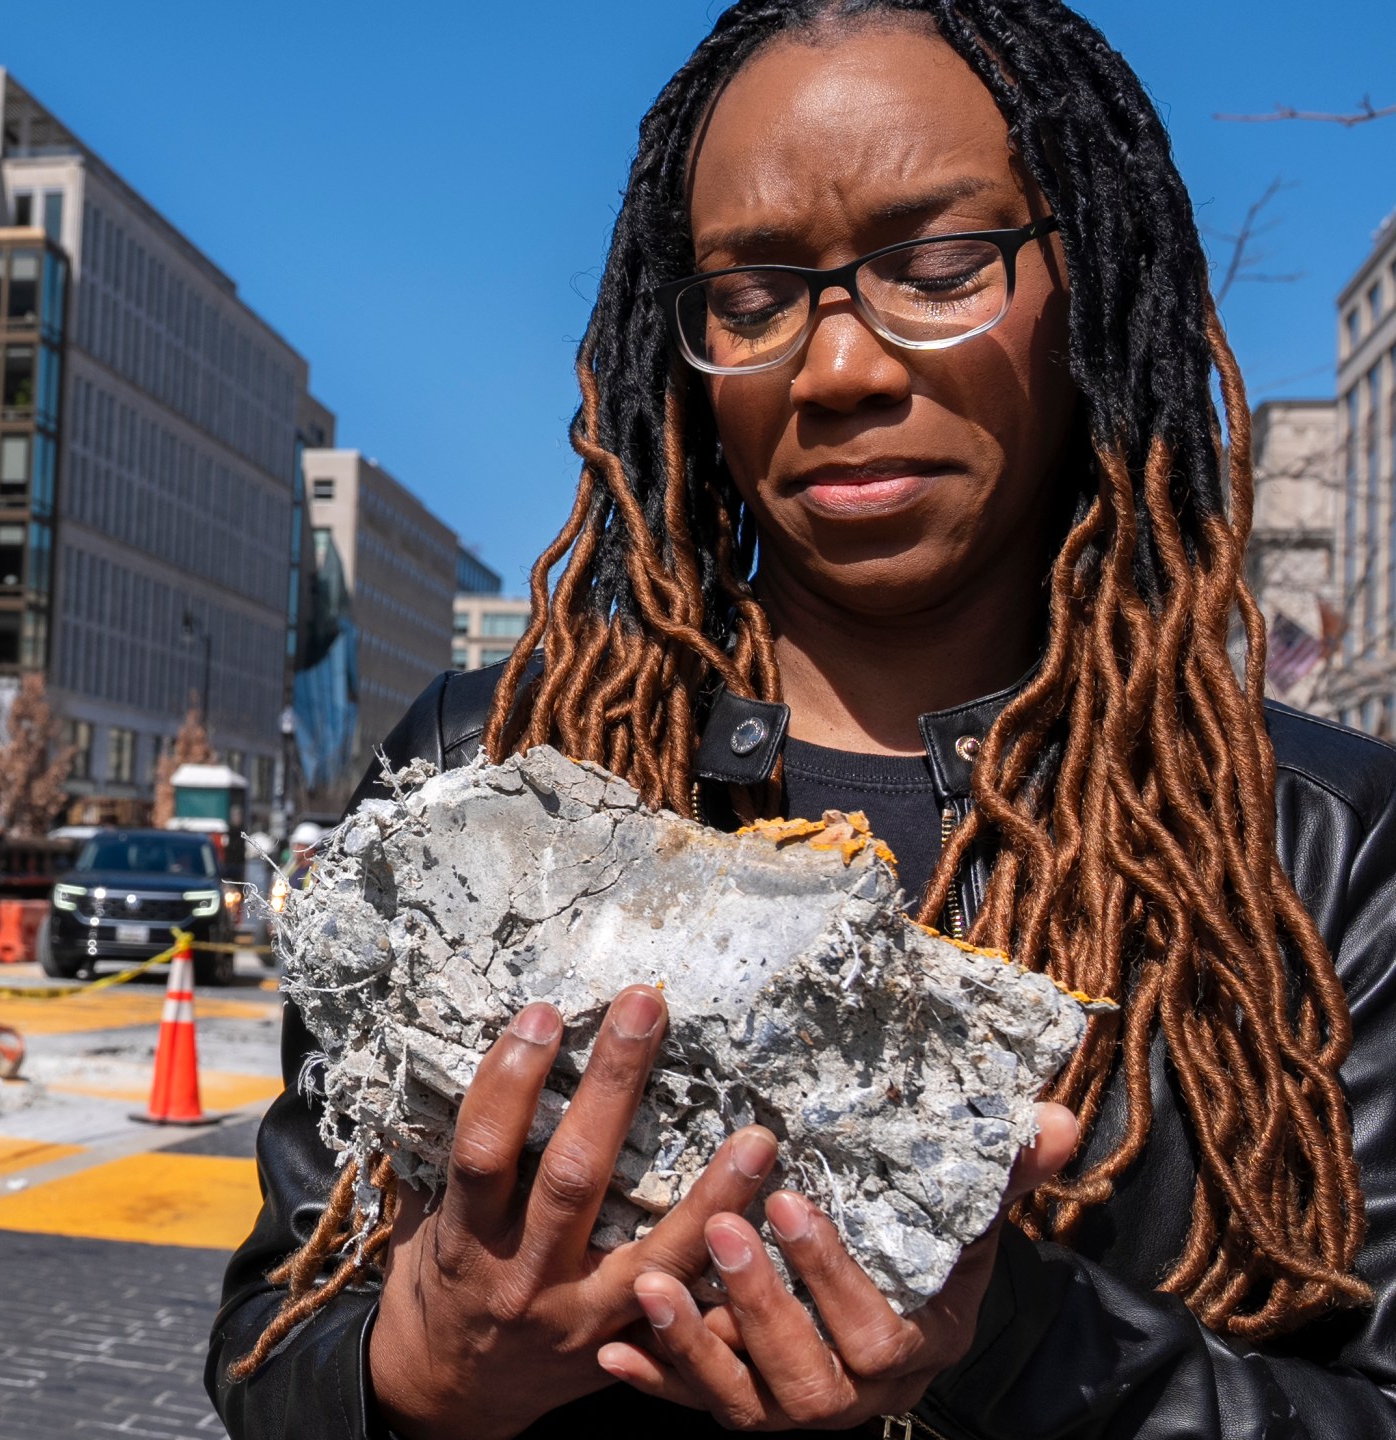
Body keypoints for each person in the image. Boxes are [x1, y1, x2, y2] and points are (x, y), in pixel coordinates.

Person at [209, 3, 1396, 1436]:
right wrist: (418, 1374)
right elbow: (280, 1327)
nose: (837, 370)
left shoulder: (1323, 846)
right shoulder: (490, 773)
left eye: (941, 264)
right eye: (755, 297)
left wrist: (999, 1334)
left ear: (1093, 276)